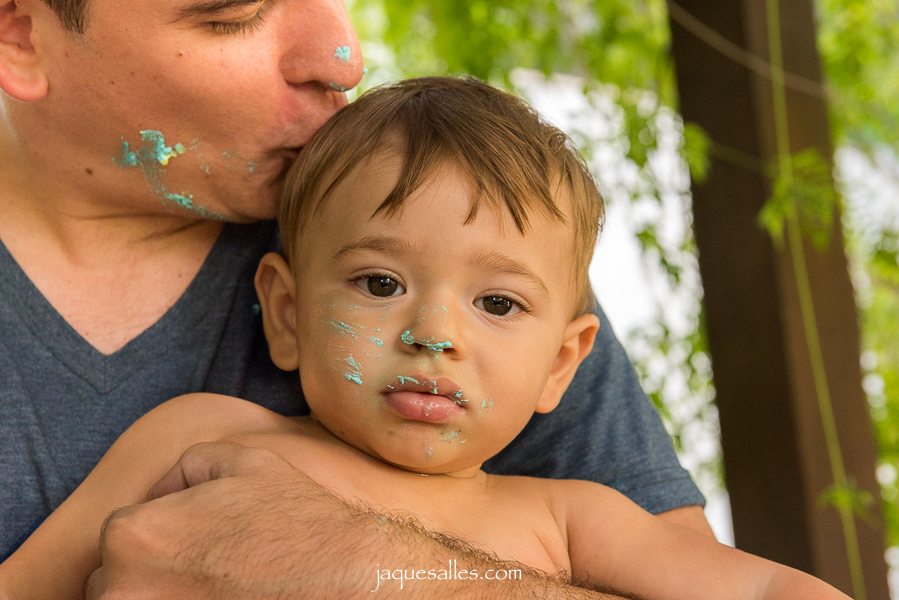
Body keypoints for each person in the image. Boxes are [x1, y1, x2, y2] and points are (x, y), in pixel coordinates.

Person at [0, 76, 849, 600]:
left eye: (498, 303)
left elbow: (765, 589)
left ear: (562, 363)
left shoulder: (572, 522)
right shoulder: (198, 442)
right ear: (287, 314)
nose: (433, 336)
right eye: (380, 285)